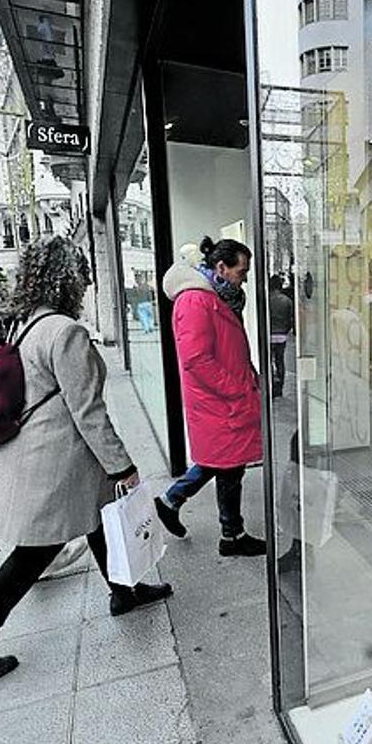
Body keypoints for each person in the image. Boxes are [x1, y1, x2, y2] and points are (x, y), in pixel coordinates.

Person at [0, 237, 171, 683]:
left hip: (42, 452)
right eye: (81, 272)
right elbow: (88, 410)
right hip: (58, 459)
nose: (85, 280)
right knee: (33, 553)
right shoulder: (65, 331)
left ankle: (125, 590)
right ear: (68, 277)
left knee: (100, 519)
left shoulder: (25, 324)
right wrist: (122, 464)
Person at [154, 236, 265, 557]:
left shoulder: (216, 297)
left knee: (225, 464)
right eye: (241, 271)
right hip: (219, 400)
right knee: (227, 466)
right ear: (221, 267)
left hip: (224, 399)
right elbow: (197, 359)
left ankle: (175, 503)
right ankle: (230, 534)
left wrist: (249, 378)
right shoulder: (195, 301)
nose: (244, 278)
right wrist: (238, 388)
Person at [267, 274, 294, 397]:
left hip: (269, 334)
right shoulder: (287, 300)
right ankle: (280, 387)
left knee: (269, 361)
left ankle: (272, 384)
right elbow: (290, 319)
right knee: (280, 361)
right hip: (281, 335)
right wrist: (286, 330)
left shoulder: (266, 300)